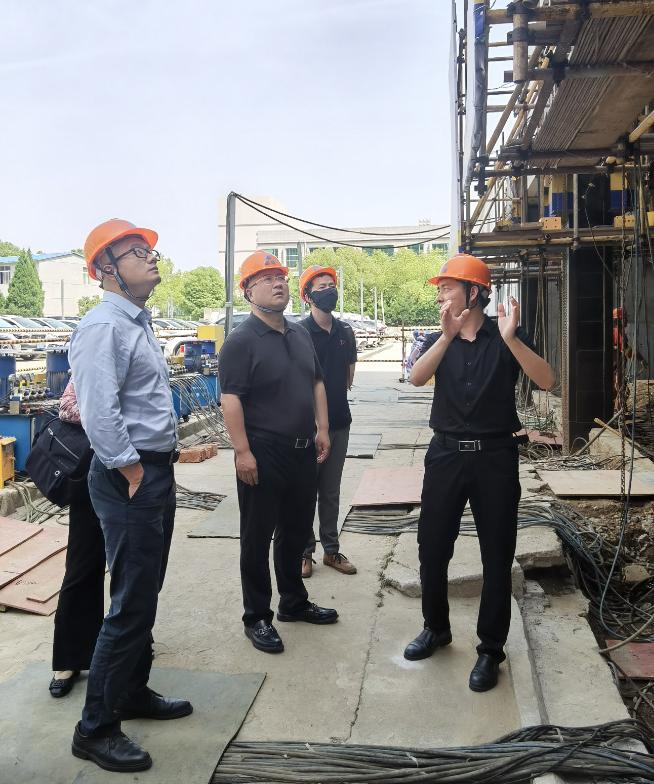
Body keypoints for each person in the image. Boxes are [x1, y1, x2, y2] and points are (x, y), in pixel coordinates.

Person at [68, 219, 191, 773]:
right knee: (130, 604)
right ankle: (95, 729)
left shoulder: (137, 322)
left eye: (149, 251)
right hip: (130, 476)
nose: (151, 257)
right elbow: (99, 410)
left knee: (145, 592)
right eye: (137, 252)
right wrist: (131, 468)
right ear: (106, 270)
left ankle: (132, 691)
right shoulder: (103, 327)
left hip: (152, 472)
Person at [403, 253, 555, 692]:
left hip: (495, 457)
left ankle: (490, 649)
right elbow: (416, 378)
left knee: (497, 553)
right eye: (439, 289)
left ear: (474, 293)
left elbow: (547, 380)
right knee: (433, 546)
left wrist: (511, 339)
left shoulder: (506, 334)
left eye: (447, 288)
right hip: (446, 455)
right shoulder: (439, 337)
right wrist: (446, 338)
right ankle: (436, 628)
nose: (440, 296)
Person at [219, 251, 339, 655]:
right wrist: (242, 451)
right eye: (266, 278)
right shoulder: (240, 342)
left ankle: (293, 602)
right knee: (256, 537)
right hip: (263, 452)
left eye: (281, 278)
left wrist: (322, 429)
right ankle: (256, 616)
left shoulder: (300, 334)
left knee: (295, 531)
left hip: (303, 451)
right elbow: (231, 399)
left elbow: (317, 382)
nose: (277, 284)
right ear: (247, 291)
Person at [297, 265, 357, 578]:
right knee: (306, 491)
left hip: (339, 423)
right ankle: (304, 552)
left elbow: (348, 376)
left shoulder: (346, 332)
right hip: (307, 428)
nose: (328, 291)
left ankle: (331, 550)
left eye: (331, 285)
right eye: (320, 287)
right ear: (307, 297)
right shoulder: (299, 333)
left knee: (331, 491)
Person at [49, 380, 106, 699]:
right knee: (82, 566)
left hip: (140, 475)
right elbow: (67, 407)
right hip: (93, 475)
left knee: (134, 569)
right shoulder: (92, 358)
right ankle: (68, 659)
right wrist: (111, 420)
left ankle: (127, 646)